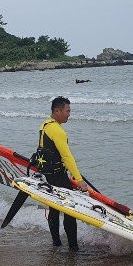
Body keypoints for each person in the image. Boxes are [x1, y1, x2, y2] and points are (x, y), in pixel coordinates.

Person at [33, 96, 89, 251]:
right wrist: (79, 179)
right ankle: (73, 247)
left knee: (54, 208)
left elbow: (50, 151)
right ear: (57, 111)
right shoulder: (58, 131)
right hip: (58, 176)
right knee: (69, 211)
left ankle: (56, 243)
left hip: (47, 175)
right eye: (67, 111)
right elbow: (66, 156)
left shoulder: (44, 125)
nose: (69, 114)